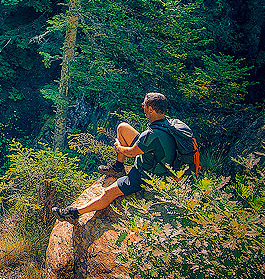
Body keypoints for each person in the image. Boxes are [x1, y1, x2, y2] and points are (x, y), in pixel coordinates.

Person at [55, 92, 177, 221]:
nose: (143, 107)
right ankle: (118, 167)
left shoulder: (151, 134)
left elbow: (131, 152)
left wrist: (118, 147)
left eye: (144, 105)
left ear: (151, 109)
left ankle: (74, 213)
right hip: (154, 156)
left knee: (108, 193)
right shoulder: (167, 122)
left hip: (148, 173)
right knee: (123, 127)